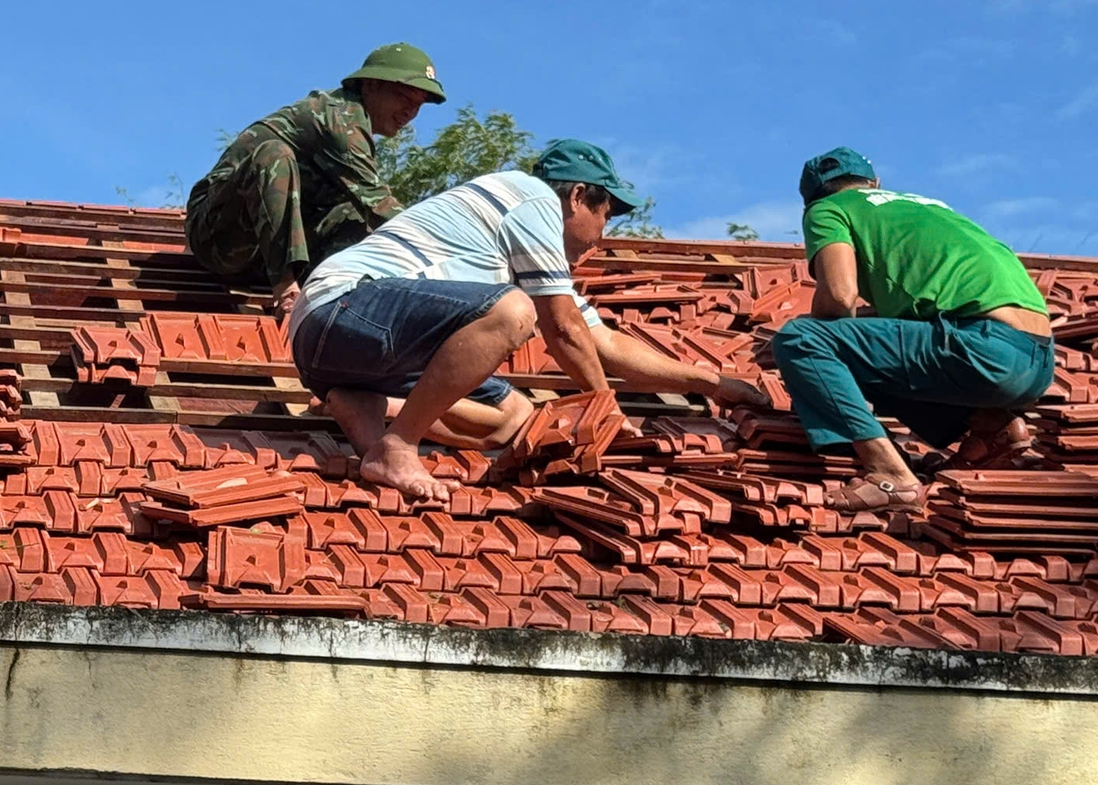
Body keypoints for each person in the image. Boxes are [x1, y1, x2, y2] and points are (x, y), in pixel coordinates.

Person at [289, 139, 771, 502]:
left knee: (516, 419)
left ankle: (367, 404)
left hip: (346, 355)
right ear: (577, 196)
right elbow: (563, 332)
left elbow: (599, 342)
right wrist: (606, 412)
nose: (601, 238)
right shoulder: (533, 199)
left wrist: (712, 382)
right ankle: (399, 445)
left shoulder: (536, 259)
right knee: (511, 310)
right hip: (344, 309)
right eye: (605, 217)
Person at [771, 147, 1057, 510]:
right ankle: (993, 430)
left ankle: (890, 475)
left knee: (801, 340)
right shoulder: (930, 206)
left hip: (982, 349)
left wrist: (809, 352)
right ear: (874, 183)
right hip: (1037, 360)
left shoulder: (827, 209)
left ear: (809, 199)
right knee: (867, 352)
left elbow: (840, 297)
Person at [187, 44, 445, 317]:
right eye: (404, 97)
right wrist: (449, 249)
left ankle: (328, 294)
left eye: (418, 104)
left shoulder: (356, 127)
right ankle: (286, 290)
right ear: (370, 85)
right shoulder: (340, 122)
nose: (410, 112)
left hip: (262, 256)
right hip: (218, 240)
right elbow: (381, 205)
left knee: (353, 216)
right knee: (275, 155)